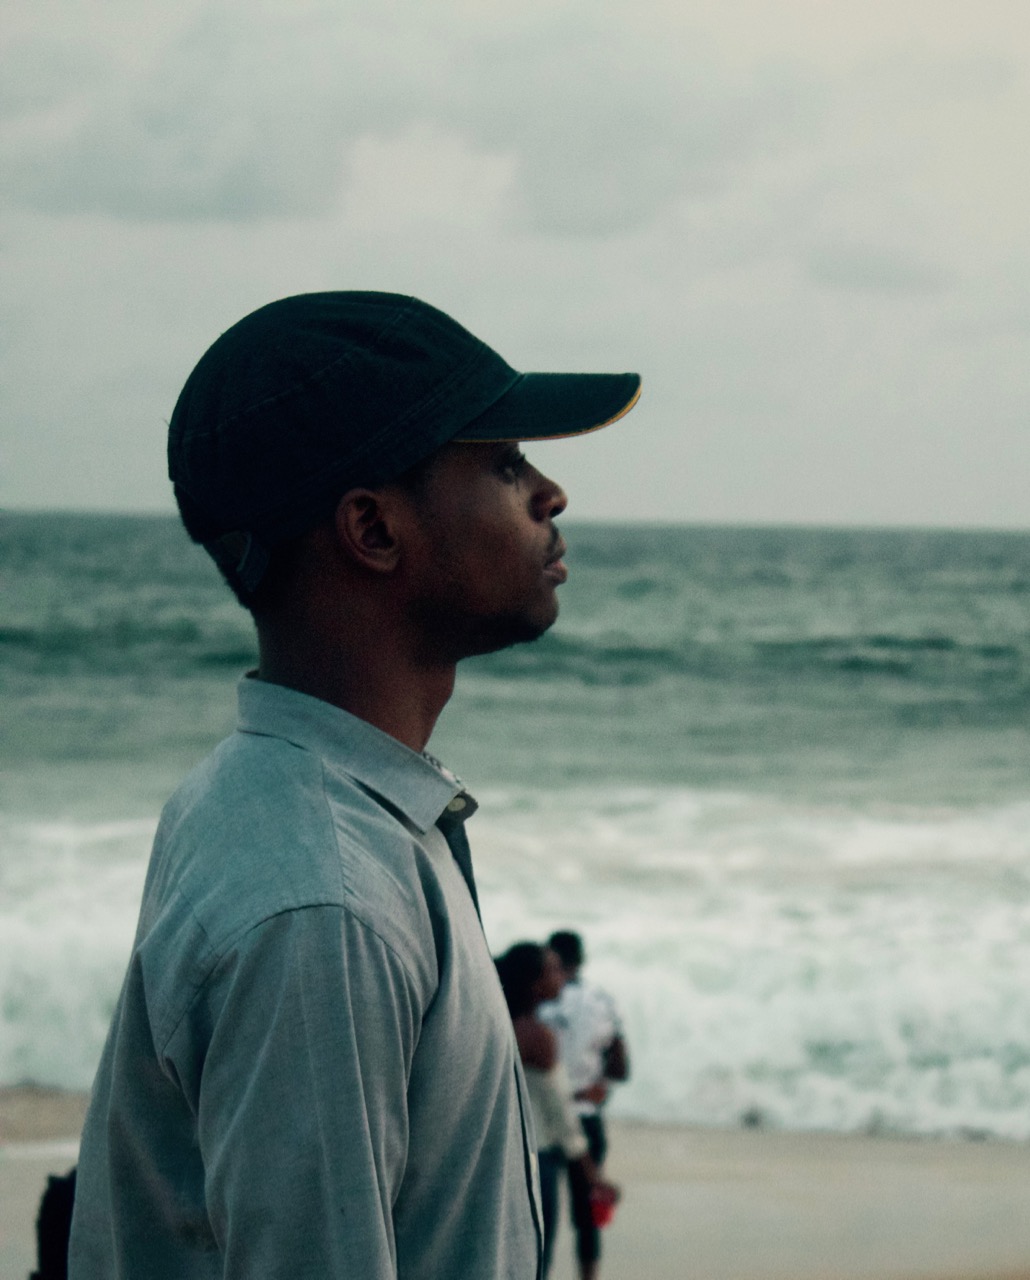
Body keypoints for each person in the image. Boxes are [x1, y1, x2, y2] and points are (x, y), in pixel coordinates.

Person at [67, 292, 641, 1280]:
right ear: (372, 529)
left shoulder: (275, 800)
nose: (551, 491)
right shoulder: (322, 900)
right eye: (503, 462)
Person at [494, 942, 617, 1279]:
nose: (562, 977)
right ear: (536, 985)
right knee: (536, 1261)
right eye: (553, 970)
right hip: (538, 1158)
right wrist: (591, 1172)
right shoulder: (538, 1036)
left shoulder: (494, 1023)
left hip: (500, 1154)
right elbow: (561, 1117)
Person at [539, 929, 630, 1280]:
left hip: (541, 1123)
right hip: (587, 1118)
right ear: (582, 959)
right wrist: (599, 1087)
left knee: (540, 1217)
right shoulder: (603, 1002)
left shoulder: (537, 999)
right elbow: (621, 1067)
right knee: (588, 1214)